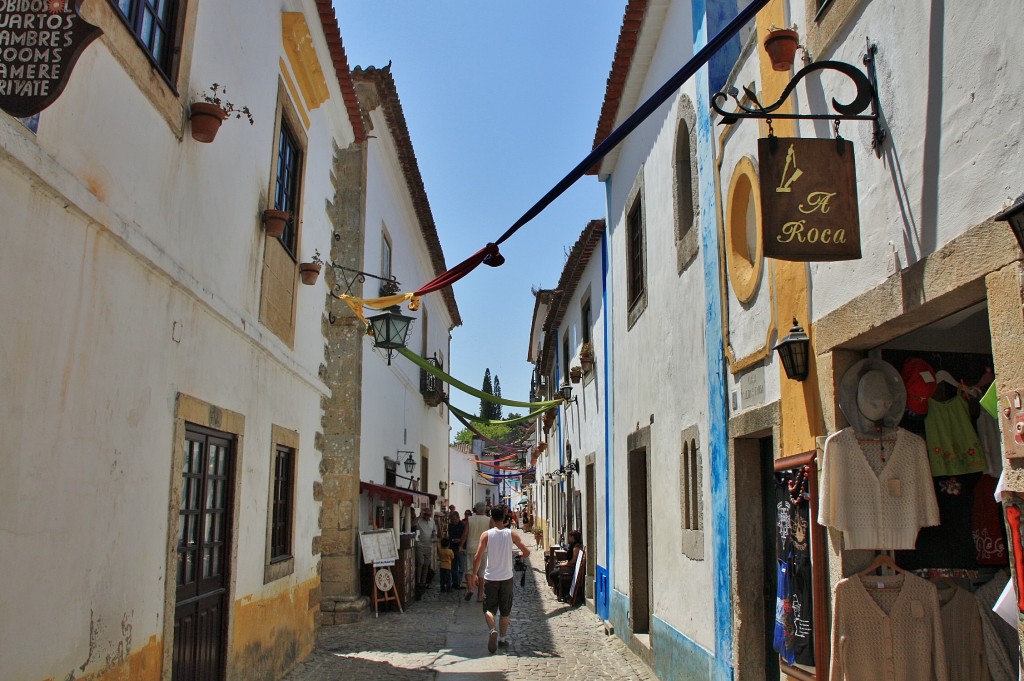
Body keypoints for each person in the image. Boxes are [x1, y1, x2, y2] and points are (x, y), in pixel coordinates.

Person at [469, 506, 531, 652]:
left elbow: (477, 556)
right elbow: (526, 552)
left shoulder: (486, 535)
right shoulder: (511, 534)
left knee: (488, 608)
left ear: (491, 517)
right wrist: (520, 556)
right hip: (507, 578)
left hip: (490, 578)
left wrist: (474, 575)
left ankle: (492, 630)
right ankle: (502, 639)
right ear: (504, 518)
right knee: (505, 610)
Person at [463, 502, 491, 601]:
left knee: (469, 569)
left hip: (471, 547)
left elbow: (465, 534)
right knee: (482, 573)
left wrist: (461, 545)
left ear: (475, 509)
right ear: (484, 510)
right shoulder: (488, 520)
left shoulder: (470, 519)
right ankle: (480, 596)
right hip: (483, 549)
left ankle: (470, 588)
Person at [549, 530, 584, 602]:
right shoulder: (572, 545)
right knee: (555, 572)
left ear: (573, 537)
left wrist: (564, 564)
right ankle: (561, 593)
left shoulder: (576, 547)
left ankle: (562, 593)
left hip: (571, 569)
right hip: (568, 567)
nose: (568, 538)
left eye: (569, 537)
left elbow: (573, 561)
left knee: (553, 575)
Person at [414, 508, 436, 589]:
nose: (427, 516)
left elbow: (434, 530)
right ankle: (418, 581)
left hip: (429, 545)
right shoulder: (419, 520)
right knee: (420, 563)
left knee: (426, 564)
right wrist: (419, 516)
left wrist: (434, 535)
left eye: (429, 515)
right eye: (426, 515)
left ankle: (423, 582)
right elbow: (412, 524)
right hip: (420, 545)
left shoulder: (432, 521)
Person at [447, 510, 466, 589]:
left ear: (458, 518)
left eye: (455, 519)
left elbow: (465, 536)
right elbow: (450, 536)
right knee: (453, 567)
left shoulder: (463, 525)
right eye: (452, 519)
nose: (453, 521)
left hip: (461, 548)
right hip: (452, 548)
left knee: (461, 567)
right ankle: (455, 582)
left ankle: (459, 582)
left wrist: (460, 540)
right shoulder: (450, 525)